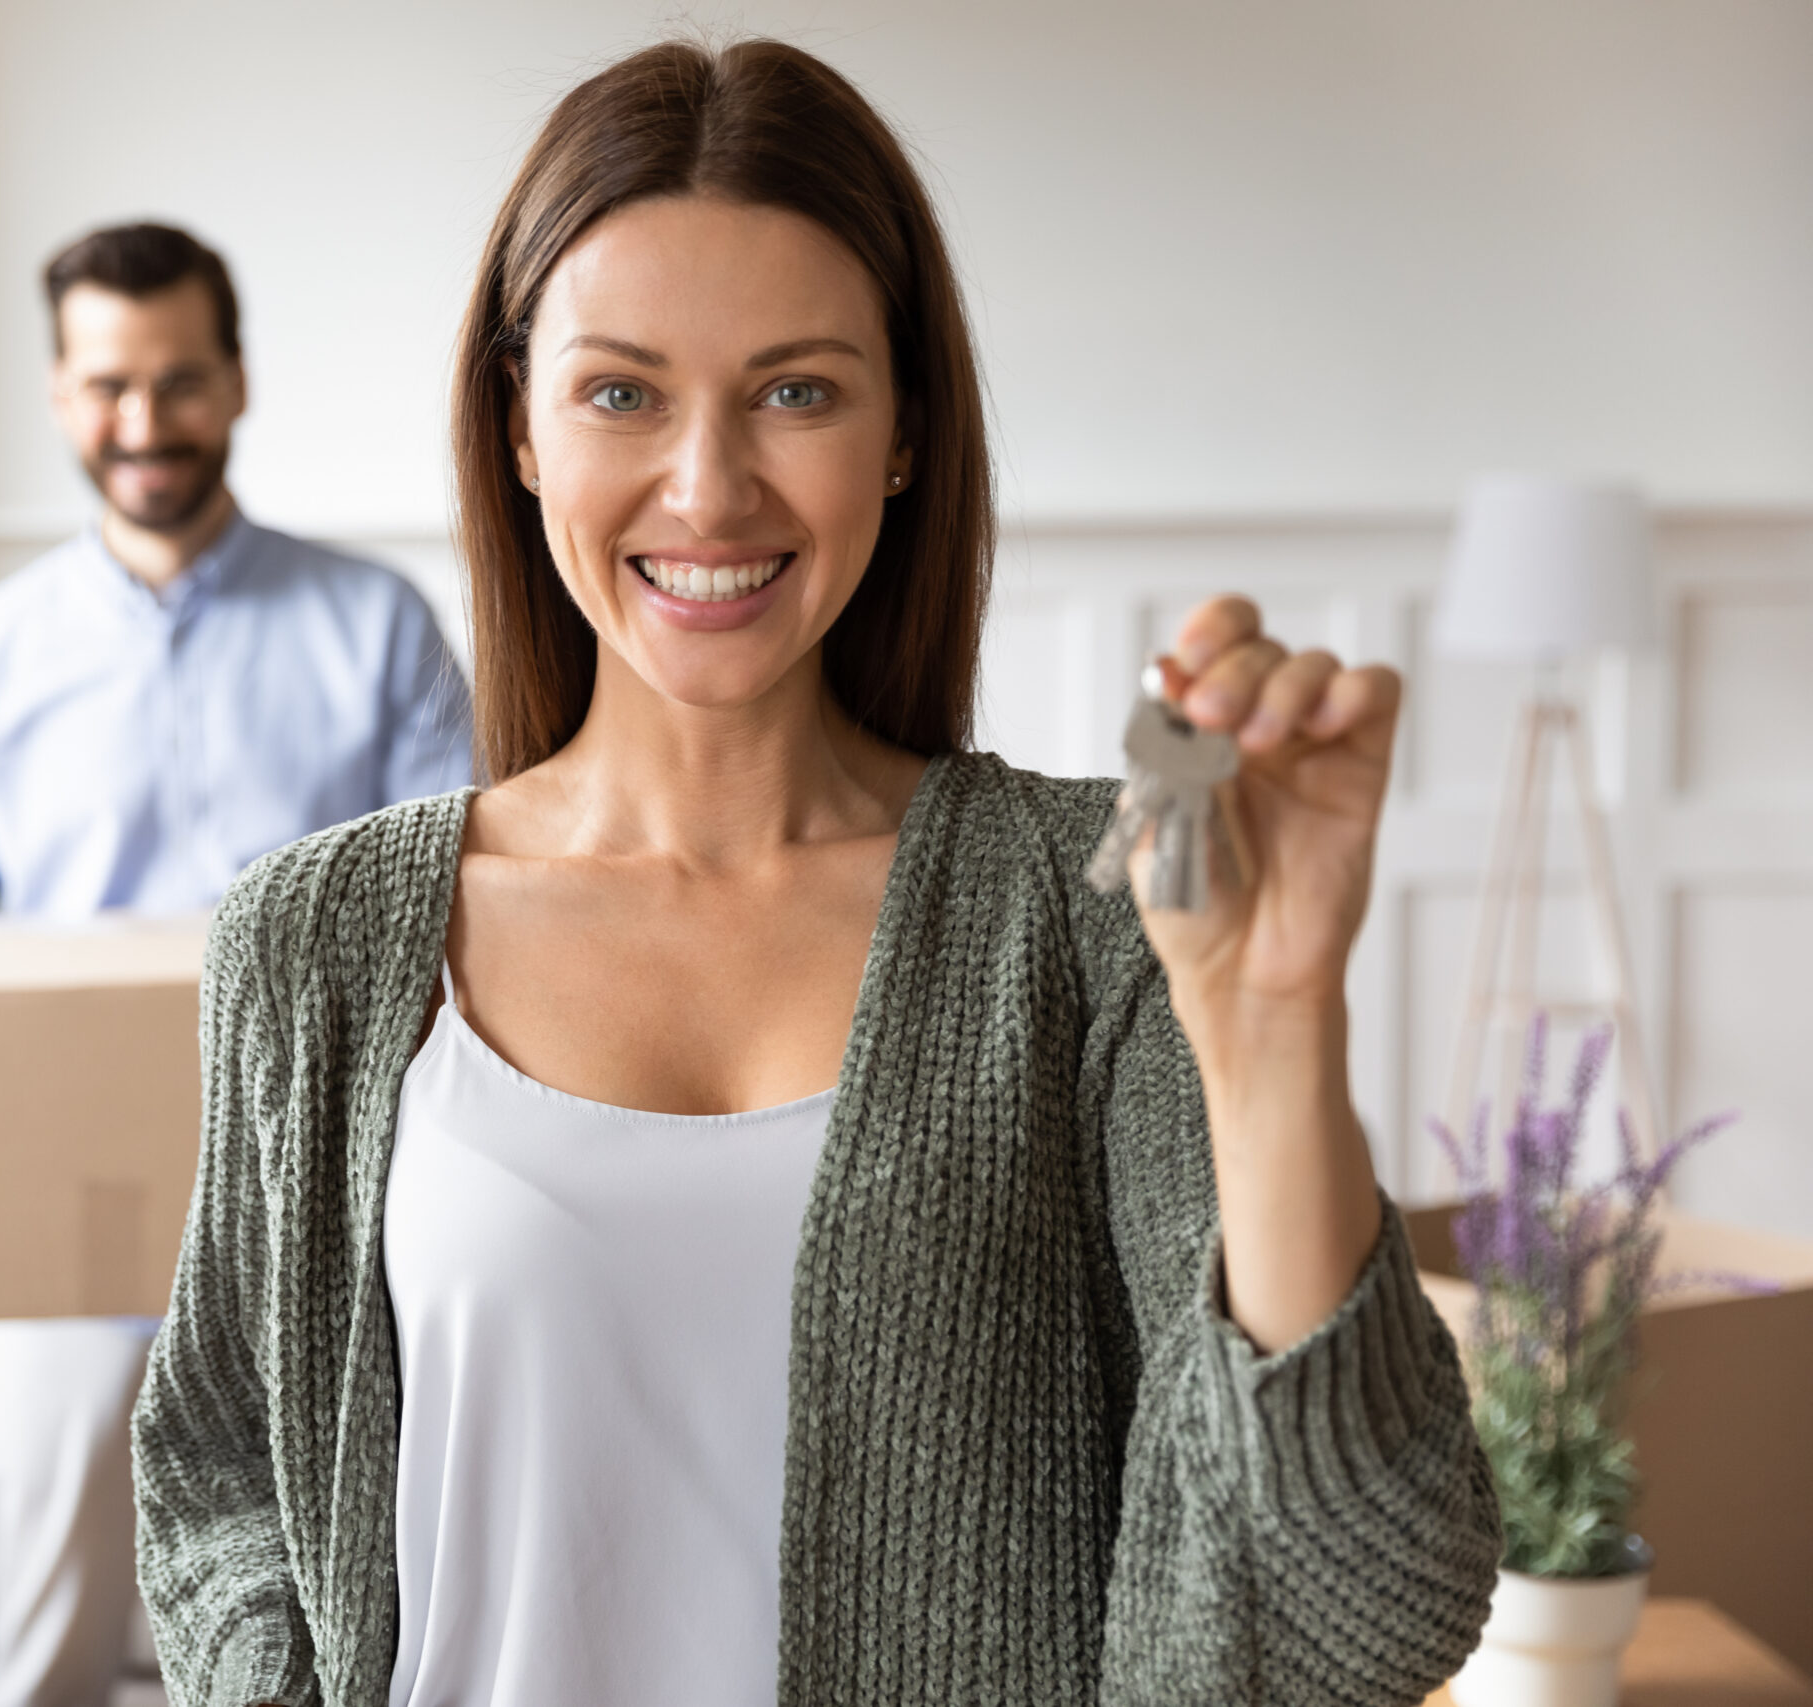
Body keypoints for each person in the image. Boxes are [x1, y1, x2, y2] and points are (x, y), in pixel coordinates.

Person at [130, 39, 1502, 1707]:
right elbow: (219, 1484)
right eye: (621, 392)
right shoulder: (313, 942)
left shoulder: (1102, 918)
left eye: (797, 391)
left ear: (903, 430)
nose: (709, 487)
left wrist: (1276, 1022)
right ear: (520, 429)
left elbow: (1367, 1598)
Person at [0, 221, 471, 1707]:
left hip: (326, 1231)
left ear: (239, 381)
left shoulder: (374, 626)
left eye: (180, 381)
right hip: (61, 1250)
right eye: (107, 385)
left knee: (354, 1643)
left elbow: (466, 927)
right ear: (60, 394)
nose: (144, 423)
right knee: (40, 1661)